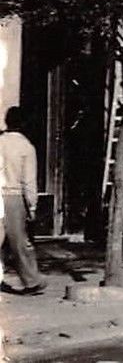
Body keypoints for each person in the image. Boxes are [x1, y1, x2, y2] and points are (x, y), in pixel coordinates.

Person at [0, 108, 45, 295]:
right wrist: (32, 205)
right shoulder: (26, 147)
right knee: (19, 241)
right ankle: (31, 279)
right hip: (13, 196)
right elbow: (29, 180)